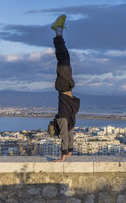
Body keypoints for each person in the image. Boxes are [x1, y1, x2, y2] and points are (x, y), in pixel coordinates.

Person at [51, 14, 81, 162]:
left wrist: (64, 156)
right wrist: (67, 153)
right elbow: (67, 135)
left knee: (63, 57)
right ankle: (58, 31)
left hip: (64, 86)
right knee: (65, 57)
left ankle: (58, 31)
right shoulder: (66, 119)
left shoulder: (63, 118)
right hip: (67, 86)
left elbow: (65, 136)